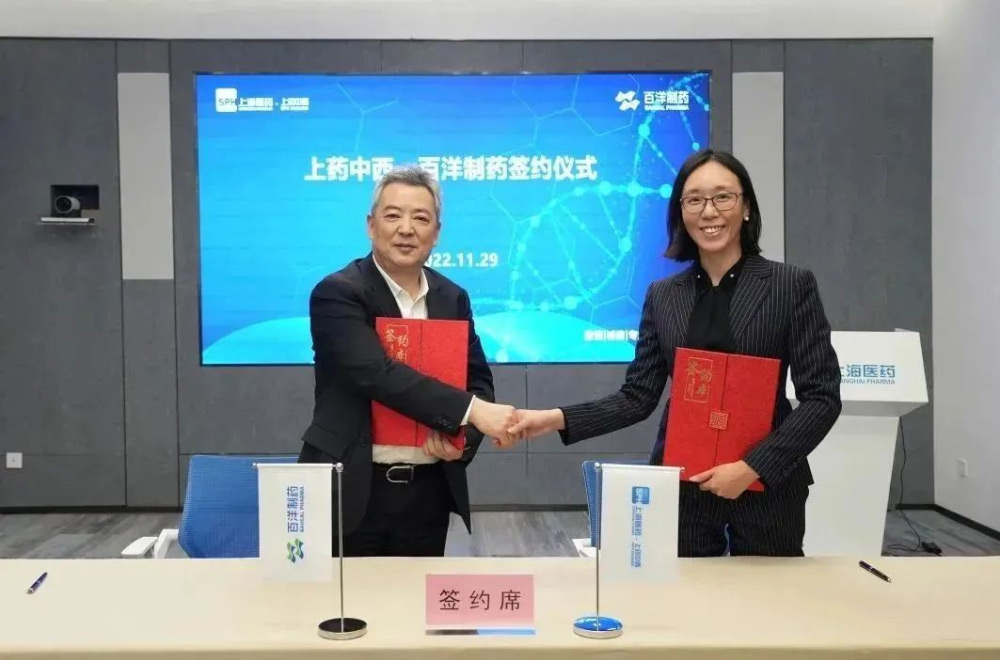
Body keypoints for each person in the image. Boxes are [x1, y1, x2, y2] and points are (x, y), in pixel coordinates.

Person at [505, 149, 842, 557]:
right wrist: (555, 418)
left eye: (723, 197)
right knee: (683, 594)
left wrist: (753, 467)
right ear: (681, 212)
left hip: (768, 487)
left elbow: (822, 397)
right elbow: (638, 397)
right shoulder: (663, 296)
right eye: (694, 199)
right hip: (684, 486)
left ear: (747, 207)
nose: (709, 211)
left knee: (769, 595)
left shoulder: (790, 285)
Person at [298, 165, 518, 557]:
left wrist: (463, 439)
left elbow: (478, 381)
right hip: (352, 486)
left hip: (427, 491)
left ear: (437, 232)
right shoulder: (338, 293)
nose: (406, 229)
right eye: (393, 215)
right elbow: (376, 374)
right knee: (347, 597)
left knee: (417, 596)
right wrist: (473, 411)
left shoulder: (452, 297)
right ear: (371, 225)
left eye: (421, 218)